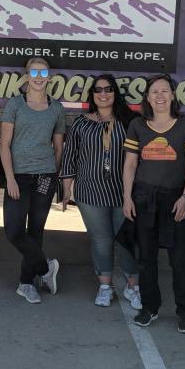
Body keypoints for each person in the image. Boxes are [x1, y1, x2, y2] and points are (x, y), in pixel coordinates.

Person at [122, 74, 185, 332]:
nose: (159, 96)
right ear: (147, 97)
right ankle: (149, 308)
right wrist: (127, 197)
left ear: (172, 95)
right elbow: (131, 163)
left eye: (164, 91)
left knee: (180, 259)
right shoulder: (137, 125)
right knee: (146, 258)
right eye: (154, 91)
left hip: (176, 199)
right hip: (144, 198)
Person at [61, 74, 141, 308]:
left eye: (108, 89)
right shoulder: (81, 123)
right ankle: (105, 287)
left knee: (128, 240)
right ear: (92, 95)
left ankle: (133, 288)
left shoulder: (131, 122)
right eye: (98, 90)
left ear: (115, 93)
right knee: (101, 240)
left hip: (124, 192)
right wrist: (66, 187)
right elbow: (70, 155)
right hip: (90, 192)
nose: (103, 94)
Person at [0, 58, 65, 304]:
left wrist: (54, 175)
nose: (39, 76)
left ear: (49, 76)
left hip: (44, 177)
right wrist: (9, 178)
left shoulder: (56, 108)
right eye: (34, 72)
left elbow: (58, 147)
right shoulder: (15, 105)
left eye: (43, 72)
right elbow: (5, 145)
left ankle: (26, 284)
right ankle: (46, 268)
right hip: (18, 176)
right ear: (27, 76)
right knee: (14, 231)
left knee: (36, 231)